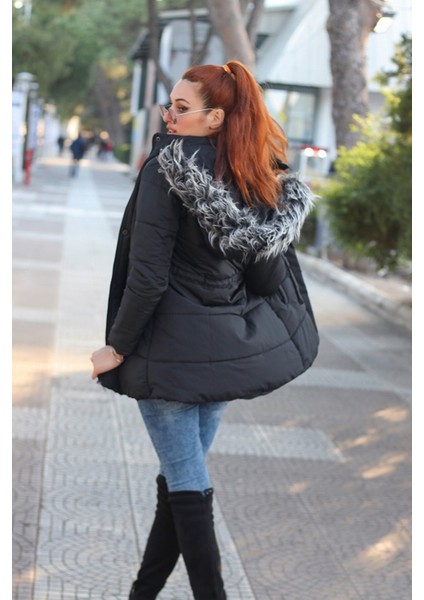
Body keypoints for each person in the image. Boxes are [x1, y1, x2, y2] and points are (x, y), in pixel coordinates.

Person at [90, 60, 319, 600]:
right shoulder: (249, 172)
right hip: (222, 355)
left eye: (181, 108)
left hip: (167, 355)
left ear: (215, 117)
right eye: (169, 105)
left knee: (186, 483)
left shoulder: (165, 169)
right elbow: (265, 276)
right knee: (179, 481)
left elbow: (147, 278)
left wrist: (116, 347)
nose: (168, 116)